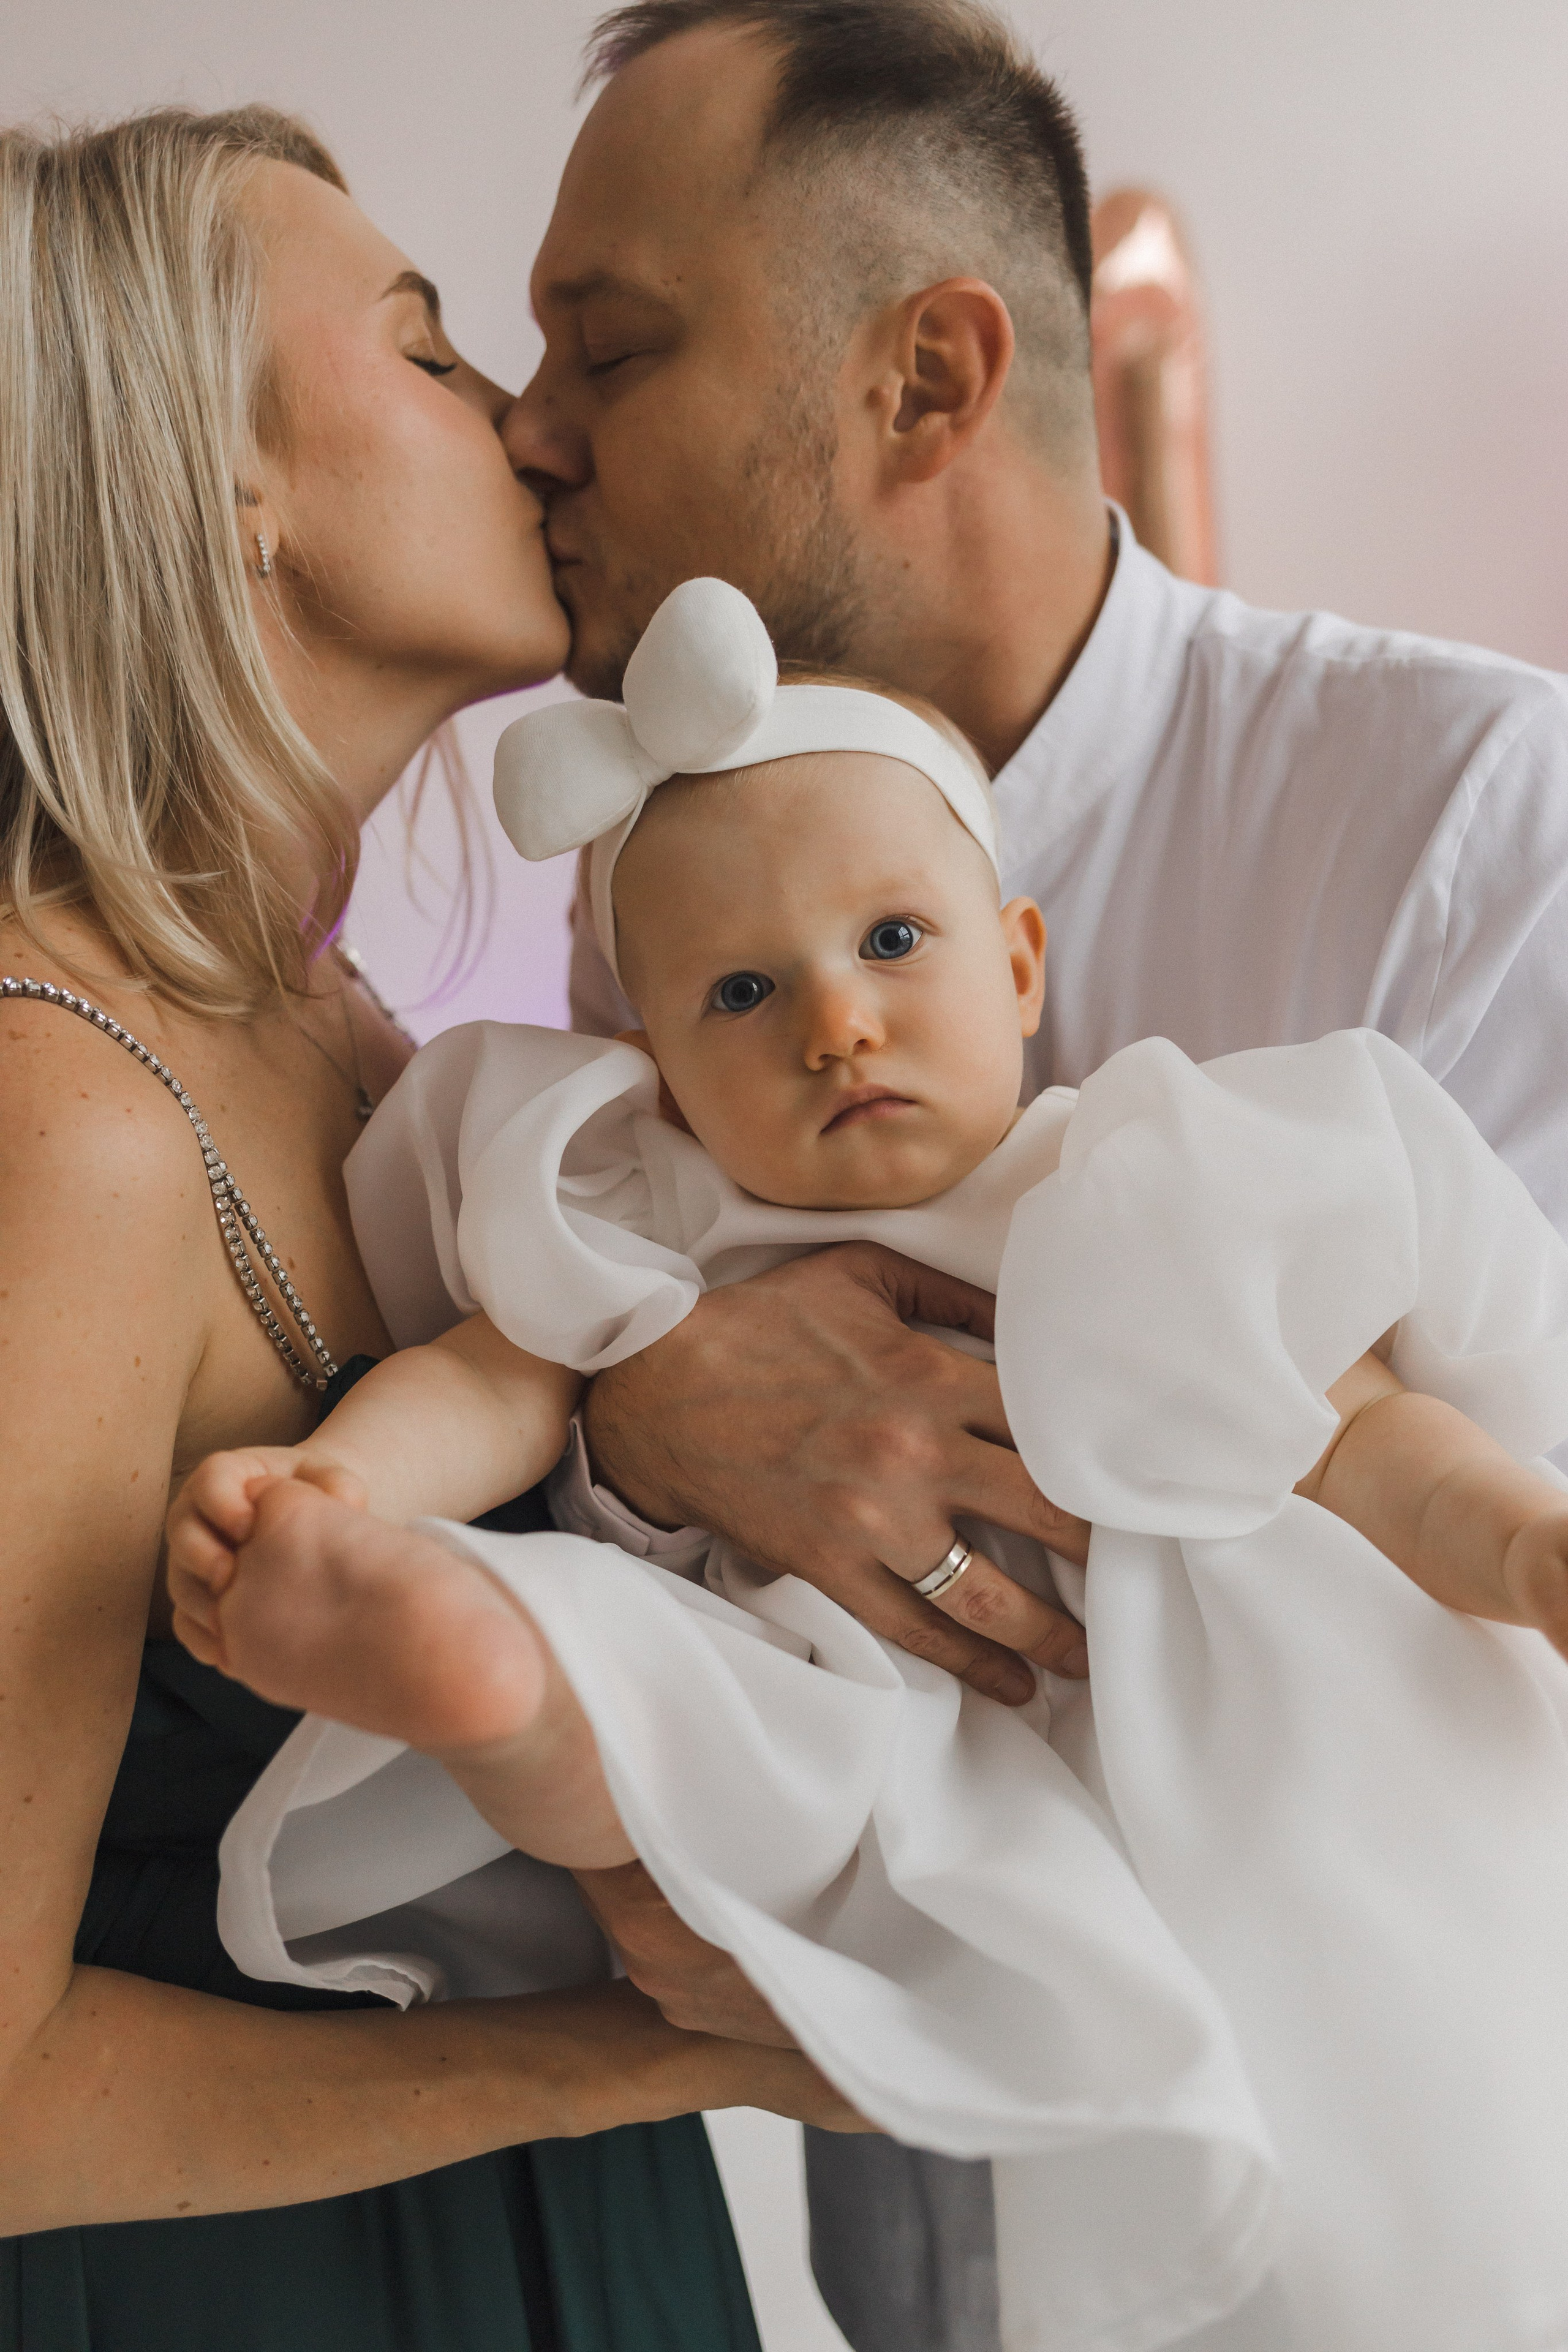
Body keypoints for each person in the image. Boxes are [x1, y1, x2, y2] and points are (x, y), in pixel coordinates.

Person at [165, 579, 1568, 2352]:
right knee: (648, 1682)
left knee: (1368, 2132)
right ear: (653, 1061)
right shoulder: (650, 1212)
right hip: (846, 1715)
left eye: (892, 942)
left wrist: (1524, 1549)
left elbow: (1374, 1445)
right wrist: (340, 1488)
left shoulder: (1160, 1171)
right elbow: (495, 1383)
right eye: (742, 993)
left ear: (1022, 961)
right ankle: (498, 1687)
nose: (832, 1023)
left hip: (1172, 1753)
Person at [500, 9, 1568, 2335]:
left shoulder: (1486, 835)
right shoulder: (635, 927)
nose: (531, 435)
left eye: (614, 349)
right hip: (877, 2222)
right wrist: (636, 1407)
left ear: (927, 381)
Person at [0, 105, 854, 2352]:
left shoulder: (339, 1022)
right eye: (431, 351)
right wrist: (645, 2065)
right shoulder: (67, 1123)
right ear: (216, 482)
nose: (529, 428)